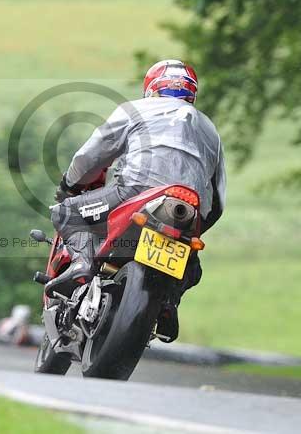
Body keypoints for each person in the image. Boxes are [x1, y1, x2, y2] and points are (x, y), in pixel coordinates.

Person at [45, 60, 226, 340]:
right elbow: (217, 200)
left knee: (67, 213)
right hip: (189, 209)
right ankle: (169, 301)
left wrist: (70, 184)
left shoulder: (136, 110)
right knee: (193, 266)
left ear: (152, 88)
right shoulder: (209, 130)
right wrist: (197, 225)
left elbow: (92, 155)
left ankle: (82, 263)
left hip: (135, 191)